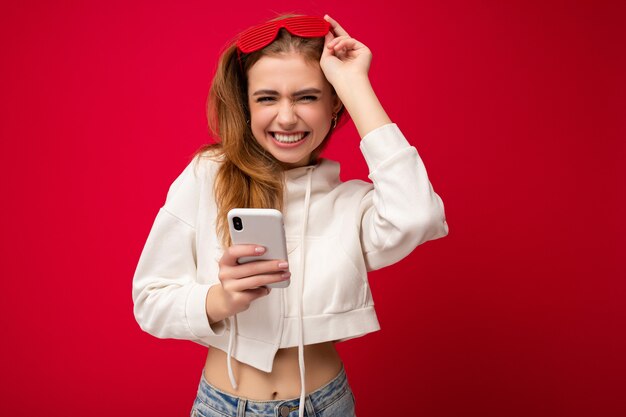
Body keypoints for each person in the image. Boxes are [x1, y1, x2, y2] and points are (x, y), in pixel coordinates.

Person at [132, 13, 449, 417]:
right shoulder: (206, 176)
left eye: (307, 97)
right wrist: (219, 299)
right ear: (246, 105)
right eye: (267, 98)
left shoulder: (351, 204)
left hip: (324, 405)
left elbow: (418, 215)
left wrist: (355, 85)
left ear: (334, 104)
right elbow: (149, 301)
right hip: (222, 407)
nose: (286, 117)